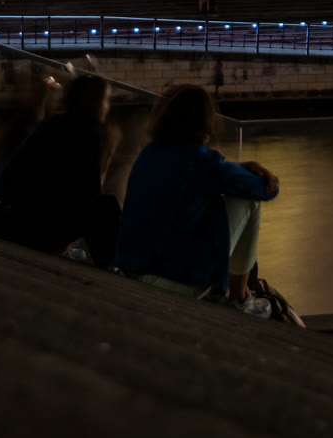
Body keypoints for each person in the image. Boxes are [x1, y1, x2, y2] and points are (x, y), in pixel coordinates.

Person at [116, 85, 280, 316]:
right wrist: (258, 175)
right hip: (173, 282)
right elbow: (265, 190)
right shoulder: (201, 161)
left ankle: (231, 293)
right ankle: (239, 298)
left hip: (132, 270)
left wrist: (235, 168)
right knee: (248, 202)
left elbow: (197, 174)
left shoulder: (150, 153)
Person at [0, 75, 122, 266]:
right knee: (106, 207)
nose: (108, 106)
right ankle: (115, 267)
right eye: (106, 100)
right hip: (21, 228)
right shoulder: (89, 134)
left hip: (0, 218)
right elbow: (90, 197)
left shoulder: (53, 124)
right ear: (96, 103)